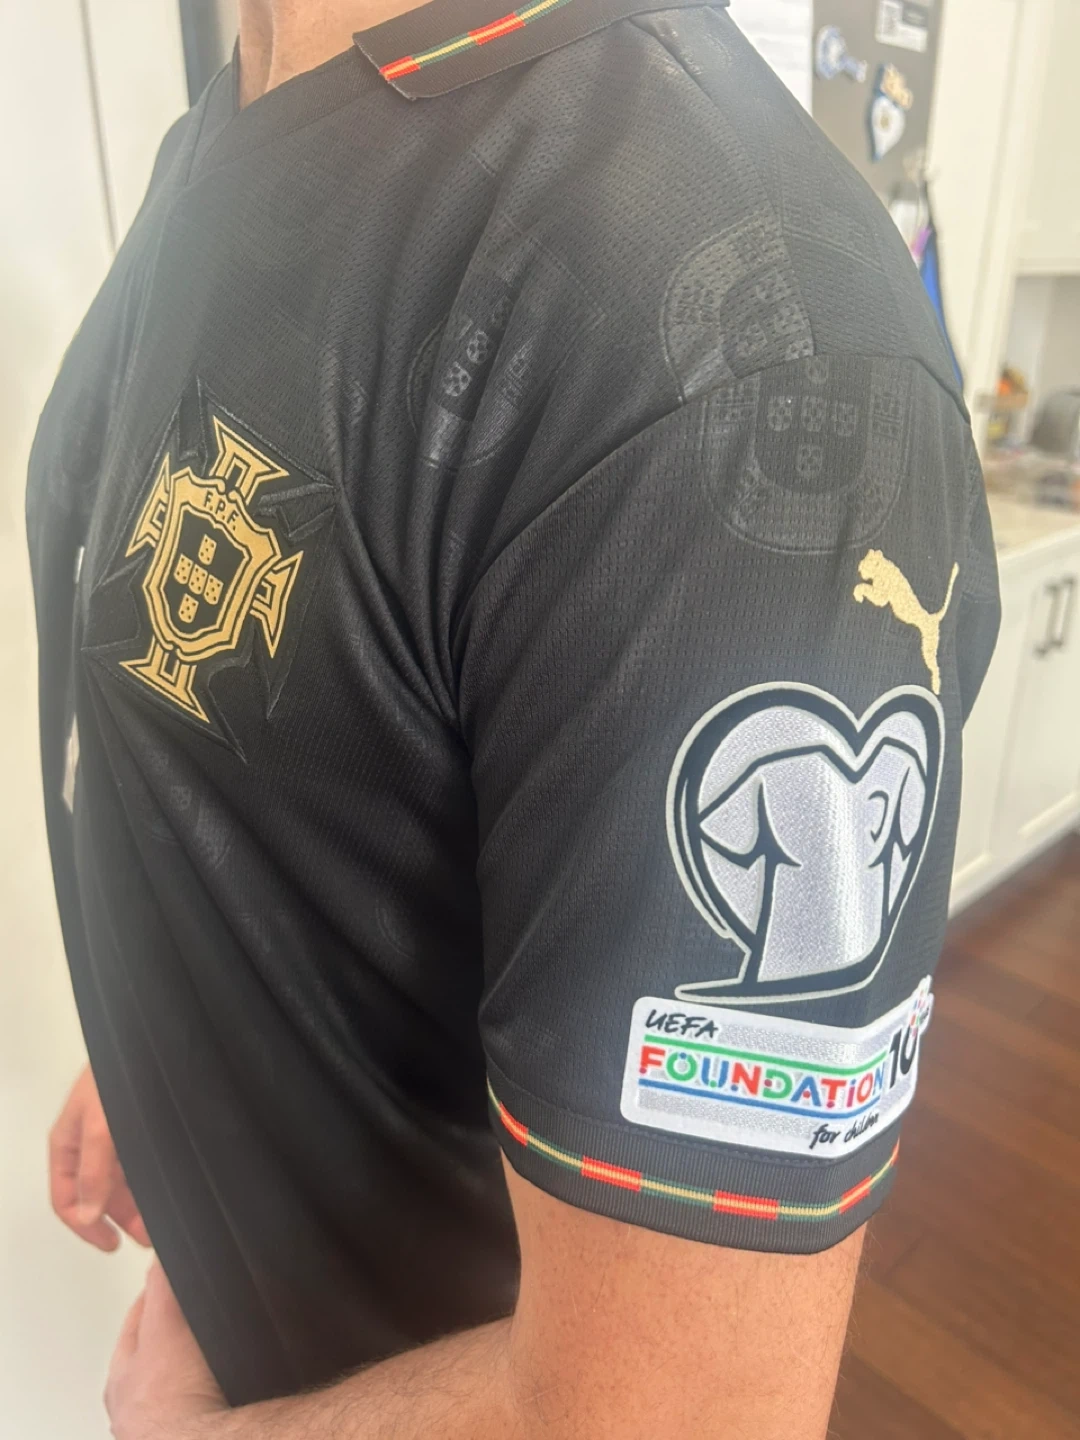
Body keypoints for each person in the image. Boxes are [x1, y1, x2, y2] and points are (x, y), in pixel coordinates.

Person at [28, 0, 1000, 1433]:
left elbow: (683, 1416)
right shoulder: (230, 126)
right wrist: (170, 1049)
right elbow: (292, 732)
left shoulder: (752, 362)